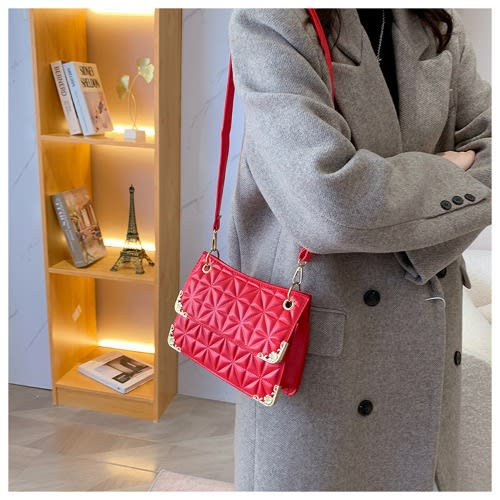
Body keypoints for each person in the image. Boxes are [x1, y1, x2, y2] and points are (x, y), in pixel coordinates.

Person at [226, 8, 491, 492]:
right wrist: (447, 173)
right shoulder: (273, 20)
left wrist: (404, 237)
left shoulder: (435, 23)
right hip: (319, 359)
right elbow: (329, 207)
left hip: (424, 337)